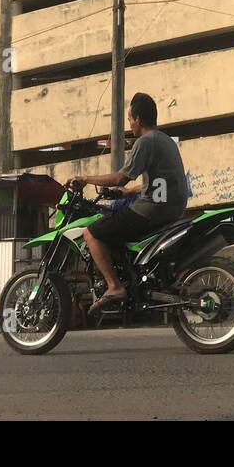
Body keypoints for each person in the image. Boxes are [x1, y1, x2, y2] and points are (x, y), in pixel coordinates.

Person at [69, 92, 188, 310]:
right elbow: (159, 181)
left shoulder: (144, 142)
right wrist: (128, 192)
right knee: (114, 229)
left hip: (151, 210)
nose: (130, 123)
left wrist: (85, 178)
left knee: (91, 233)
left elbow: (120, 177)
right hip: (173, 209)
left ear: (138, 119)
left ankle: (114, 286)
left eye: (130, 119)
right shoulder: (165, 141)